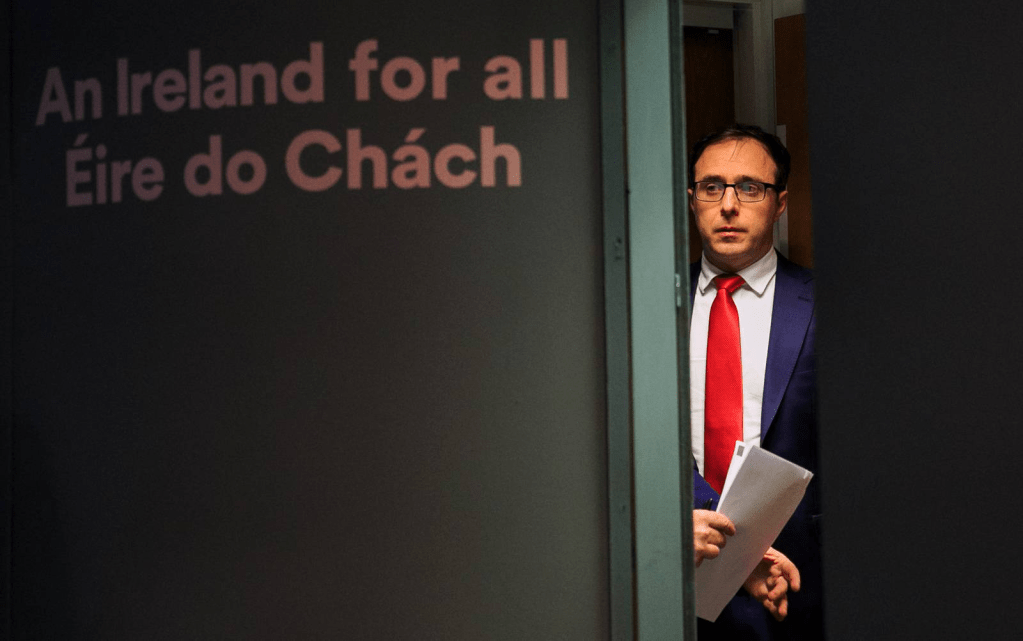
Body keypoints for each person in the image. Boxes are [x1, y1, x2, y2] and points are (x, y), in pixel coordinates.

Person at [688, 125, 823, 639]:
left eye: (749, 187)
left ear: (780, 202)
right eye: (711, 187)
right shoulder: (646, 303)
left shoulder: (824, 305)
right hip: (671, 573)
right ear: (692, 199)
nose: (728, 205)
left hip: (795, 582)